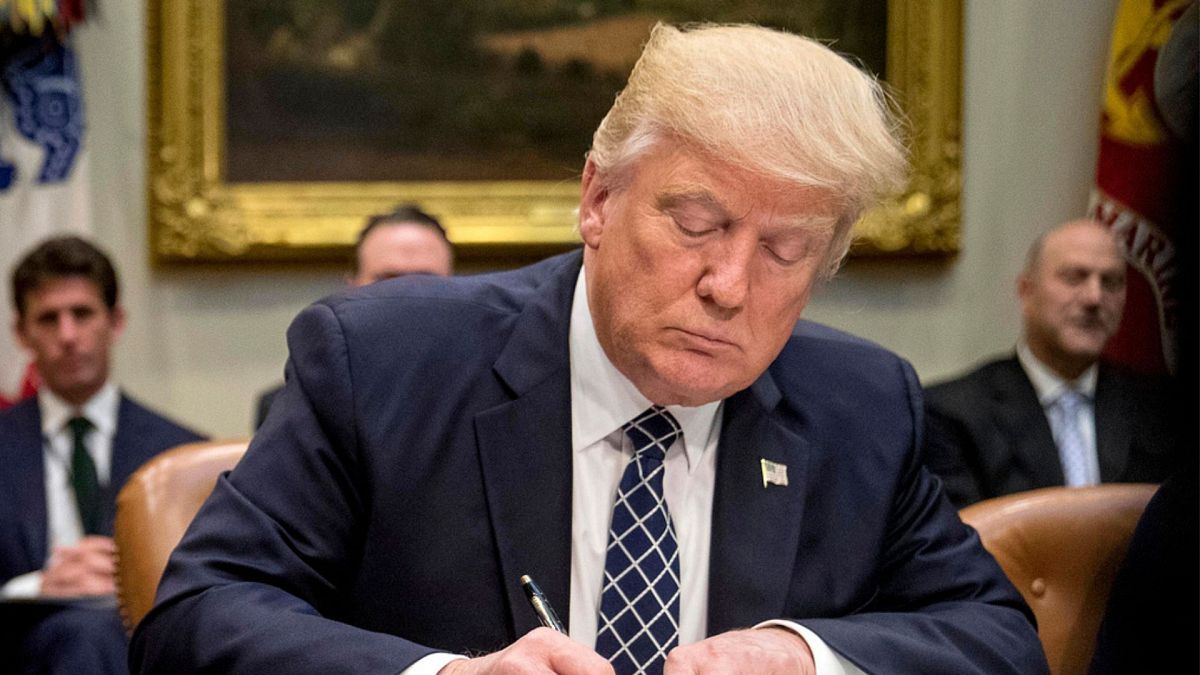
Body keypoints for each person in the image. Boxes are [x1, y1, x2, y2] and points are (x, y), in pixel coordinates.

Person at [132, 23, 1046, 675]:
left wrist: (807, 656)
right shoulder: (381, 361)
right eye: (696, 224)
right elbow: (194, 618)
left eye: (784, 250)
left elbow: (999, 638)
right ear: (598, 200)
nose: (729, 283)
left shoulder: (861, 405)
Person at [0, 236, 206, 674]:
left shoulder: (183, 455)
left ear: (115, 322)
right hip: (24, 648)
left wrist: (125, 581)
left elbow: (209, 581)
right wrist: (35, 586)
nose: (69, 336)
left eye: (83, 314)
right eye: (49, 319)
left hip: (146, 644)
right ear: (22, 334)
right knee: (82, 637)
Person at [923, 220, 1177, 507]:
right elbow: (957, 538)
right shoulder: (954, 414)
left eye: (1111, 282)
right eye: (1074, 278)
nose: (1095, 297)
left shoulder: (1163, 409)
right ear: (1026, 291)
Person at [254, 204, 453, 427]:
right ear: (352, 288)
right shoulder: (293, 408)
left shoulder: (488, 398)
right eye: (388, 281)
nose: (405, 296)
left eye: (426, 282)